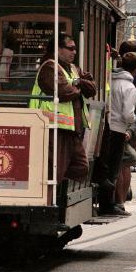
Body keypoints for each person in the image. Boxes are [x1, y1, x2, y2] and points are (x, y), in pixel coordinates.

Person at [29, 33, 96, 193]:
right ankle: (45, 203)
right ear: (58, 49)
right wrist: (79, 86)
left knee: (81, 167)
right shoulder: (49, 67)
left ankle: (53, 191)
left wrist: (78, 82)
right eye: (70, 48)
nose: (74, 52)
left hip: (71, 130)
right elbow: (65, 92)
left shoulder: (73, 68)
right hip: (52, 127)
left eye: (75, 48)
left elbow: (92, 88)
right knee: (53, 173)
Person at [102, 52, 136, 216]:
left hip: (105, 127)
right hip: (118, 130)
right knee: (113, 170)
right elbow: (127, 114)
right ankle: (110, 205)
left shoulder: (111, 81)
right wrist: (131, 120)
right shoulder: (130, 88)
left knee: (105, 167)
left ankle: (106, 202)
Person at [115, 40, 136, 212]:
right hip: (129, 124)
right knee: (125, 164)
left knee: (114, 162)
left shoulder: (112, 72)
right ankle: (121, 201)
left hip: (111, 121)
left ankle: (114, 199)